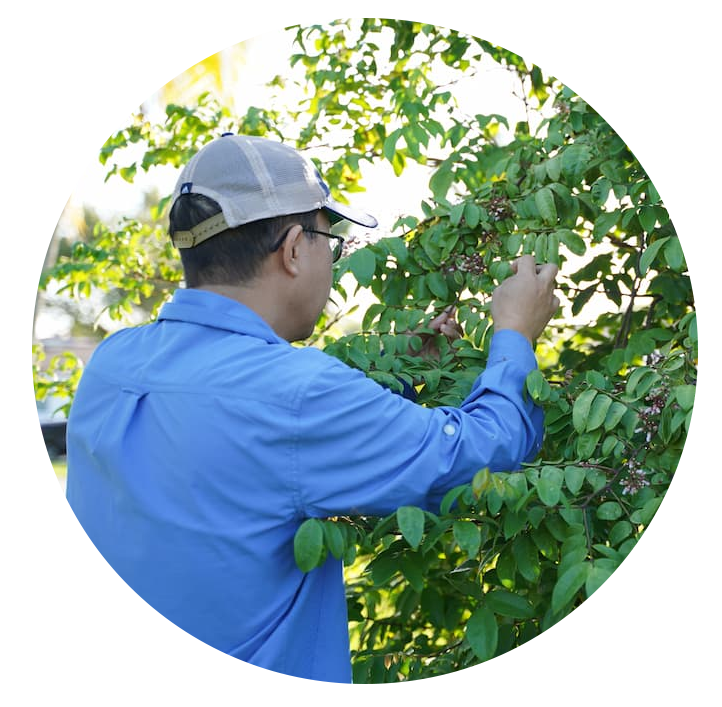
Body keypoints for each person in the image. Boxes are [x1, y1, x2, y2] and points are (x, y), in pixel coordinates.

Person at [46, 133, 559, 684]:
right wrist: (514, 335)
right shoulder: (297, 396)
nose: (331, 259)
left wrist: (403, 375)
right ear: (293, 250)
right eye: (328, 240)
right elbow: (480, 451)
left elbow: (245, 438)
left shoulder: (111, 364)